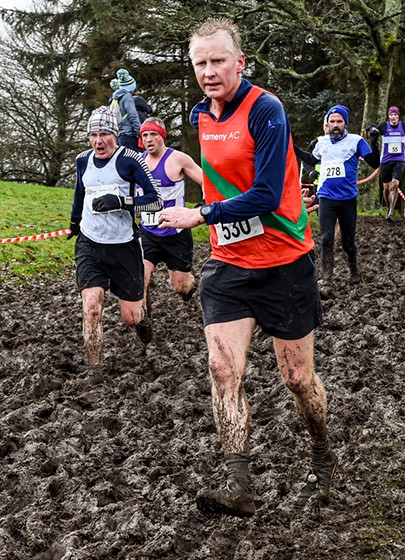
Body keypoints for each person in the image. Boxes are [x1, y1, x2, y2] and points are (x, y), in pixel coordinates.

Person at [156, 17, 334, 518]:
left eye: (218, 61)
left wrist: (202, 213)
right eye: (200, 63)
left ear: (240, 61)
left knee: (297, 379)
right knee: (221, 369)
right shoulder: (200, 115)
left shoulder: (267, 110)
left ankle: (320, 445)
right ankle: (239, 486)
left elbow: (265, 193)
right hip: (229, 265)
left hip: (284, 264)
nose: (209, 72)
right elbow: (216, 176)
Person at [67, 106, 162, 365]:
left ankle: (144, 323)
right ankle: (94, 368)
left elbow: (156, 201)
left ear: (115, 135)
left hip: (124, 247)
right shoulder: (82, 160)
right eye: (93, 135)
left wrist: (121, 201)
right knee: (92, 307)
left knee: (131, 317)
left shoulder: (130, 159)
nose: (99, 141)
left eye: (105, 134)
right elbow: (79, 193)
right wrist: (75, 222)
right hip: (90, 243)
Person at [301, 104, 380, 284]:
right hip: (326, 197)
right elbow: (311, 159)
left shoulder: (356, 141)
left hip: (347, 200)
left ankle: (354, 269)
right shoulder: (321, 143)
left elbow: (374, 163)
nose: (335, 125)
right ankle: (327, 278)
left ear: (345, 123)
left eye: (339, 121)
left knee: (347, 243)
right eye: (332, 122)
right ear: (327, 124)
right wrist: (292, 146)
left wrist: (375, 143)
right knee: (326, 238)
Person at [137, 116, 204, 304]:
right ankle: (144, 327)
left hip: (176, 234)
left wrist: (204, 203)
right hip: (148, 232)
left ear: (162, 136)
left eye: (153, 134)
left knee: (181, 287)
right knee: (140, 281)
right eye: (145, 135)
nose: (149, 139)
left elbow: (205, 181)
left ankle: (190, 285)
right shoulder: (137, 162)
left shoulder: (178, 159)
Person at [372, 106, 405, 221]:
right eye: (391, 115)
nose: (393, 117)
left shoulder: (404, 126)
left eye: (395, 115)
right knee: (386, 188)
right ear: (389, 116)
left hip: (399, 159)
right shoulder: (384, 126)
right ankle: (388, 208)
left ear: (398, 116)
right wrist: (371, 132)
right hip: (386, 160)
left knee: (395, 184)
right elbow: (373, 133)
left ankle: (391, 212)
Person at [108, 69, 144, 151]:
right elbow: (132, 115)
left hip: (120, 136)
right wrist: (141, 133)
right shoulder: (127, 97)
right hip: (129, 136)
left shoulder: (115, 98)